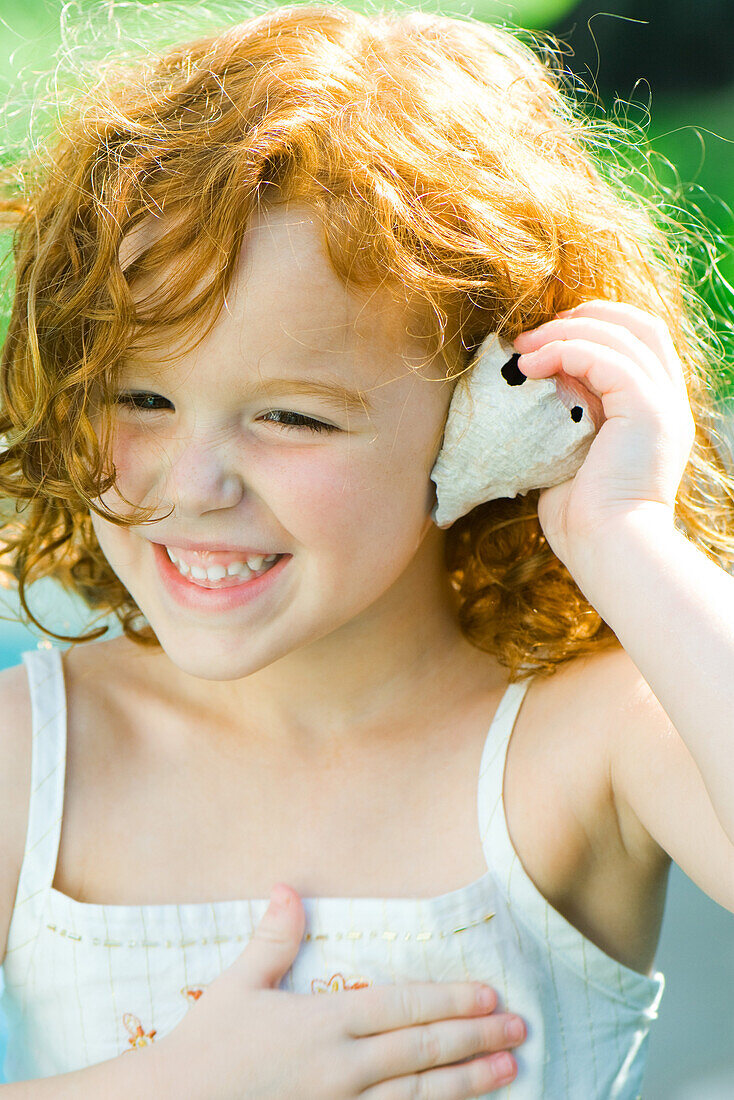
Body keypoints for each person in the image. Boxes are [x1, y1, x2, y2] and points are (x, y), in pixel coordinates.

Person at [0, 3, 732, 1097]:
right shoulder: (36, 757)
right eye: (138, 396)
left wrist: (621, 534)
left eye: (292, 417)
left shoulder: (579, 738)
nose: (191, 484)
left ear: (486, 417)